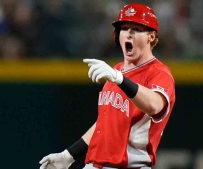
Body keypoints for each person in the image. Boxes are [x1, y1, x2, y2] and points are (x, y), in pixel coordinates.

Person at [39, 3, 176, 169]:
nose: (129, 34)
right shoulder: (117, 70)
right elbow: (105, 123)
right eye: (124, 28)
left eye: (137, 29)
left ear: (151, 37)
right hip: (96, 164)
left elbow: (154, 105)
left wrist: (120, 79)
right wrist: (69, 155)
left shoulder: (159, 73)